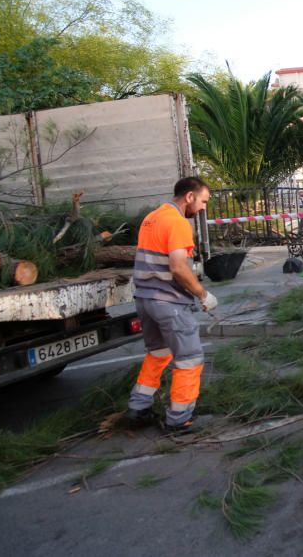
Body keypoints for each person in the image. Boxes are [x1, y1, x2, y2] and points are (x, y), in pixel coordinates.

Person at [123, 177, 217, 434]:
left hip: (145, 299)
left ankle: (138, 408)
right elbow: (177, 266)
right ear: (189, 197)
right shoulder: (177, 222)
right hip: (169, 303)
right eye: (203, 201)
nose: (202, 208)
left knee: (158, 353)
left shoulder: (152, 217)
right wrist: (202, 293)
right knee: (189, 359)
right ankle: (178, 420)